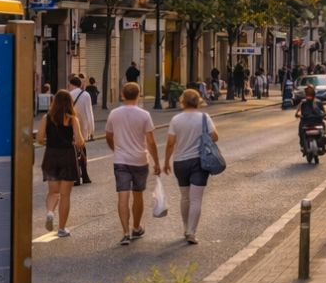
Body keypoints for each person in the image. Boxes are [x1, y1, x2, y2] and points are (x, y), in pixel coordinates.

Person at [105, 82, 159, 245]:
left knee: (123, 195)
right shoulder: (144, 115)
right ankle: (136, 227)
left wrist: (116, 149)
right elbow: (151, 141)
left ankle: (125, 232)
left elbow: (109, 136)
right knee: (138, 194)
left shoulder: (114, 114)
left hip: (121, 160)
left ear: (122, 94)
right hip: (140, 160)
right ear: (138, 95)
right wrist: (157, 162)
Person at [164, 89, 220, 244]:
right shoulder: (204, 117)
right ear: (198, 101)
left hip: (180, 162)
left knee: (185, 197)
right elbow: (215, 137)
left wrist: (166, 162)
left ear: (182, 101)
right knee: (195, 199)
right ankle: (191, 232)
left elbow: (170, 143)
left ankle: (185, 227)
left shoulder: (176, 119)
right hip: (199, 162)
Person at [40, 89, 81, 236]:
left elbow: (39, 139)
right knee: (65, 195)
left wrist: (51, 141)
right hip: (67, 156)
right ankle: (62, 229)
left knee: (53, 192)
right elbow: (80, 141)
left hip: (51, 155)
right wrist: (73, 142)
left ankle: (50, 213)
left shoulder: (46, 118)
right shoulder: (72, 119)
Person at [67, 74, 96, 184]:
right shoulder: (85, 95)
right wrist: (91, 130)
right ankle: (84, 174)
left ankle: (76, 176)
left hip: (70, 126)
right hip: (82, 126)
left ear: (71, 84)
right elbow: (89, 112)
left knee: (72, 151)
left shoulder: (68, 95)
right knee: (82, 150)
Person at [296, 84, 326, 151]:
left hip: (306, 123)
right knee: (323, 128)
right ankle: (322, 144)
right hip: (317, 122)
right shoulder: (318, 102)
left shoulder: (303, 103)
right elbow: (324, 111)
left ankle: (302, 145)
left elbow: (298, 113)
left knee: (301, 131)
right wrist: (325, 115)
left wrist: (299, 115)